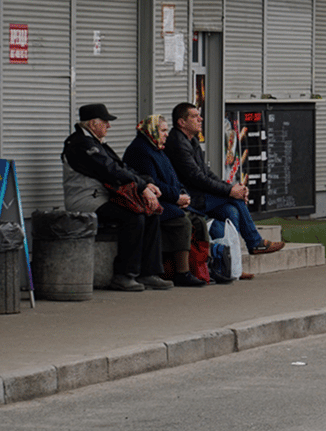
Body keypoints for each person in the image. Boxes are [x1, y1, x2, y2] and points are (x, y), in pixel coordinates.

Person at [61, 103, 174, 291]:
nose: (109, 126)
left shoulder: (96, 143)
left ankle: (149, 273)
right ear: (93, 123)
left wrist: (146, 182)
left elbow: (121, 166)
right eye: (105, 122)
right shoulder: (80, 144)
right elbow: (109, 170)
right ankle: (124, 275)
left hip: (104, 198)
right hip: (87, 200)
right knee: (134, 217)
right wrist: (142, 187)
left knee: (151, 212)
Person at [165, 102, 285, 257]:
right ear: (182, 122)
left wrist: (232, 188)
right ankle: (254, 243)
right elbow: (197, 178)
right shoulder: (177, 143)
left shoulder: (191, 141)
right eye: (194, 117)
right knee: (235, 199)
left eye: (199, 116)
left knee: (231, 211)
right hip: (189, 199)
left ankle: (230, 260)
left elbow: (207, 173)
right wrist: (231, 191)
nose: (201, 119)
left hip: (200, 195)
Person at [122, 115, 206, 287]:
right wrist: (176, 197)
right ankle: (182, 272)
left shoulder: (158, 148)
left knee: (200, 221)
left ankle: (203, 268)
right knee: (182, 221)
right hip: (152, 201)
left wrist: (182, 194)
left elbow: (173, 178)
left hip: (169, 199)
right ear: (152, 130)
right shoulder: (141, 150)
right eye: (163, 130)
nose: (167, 134)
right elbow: (154, 184)